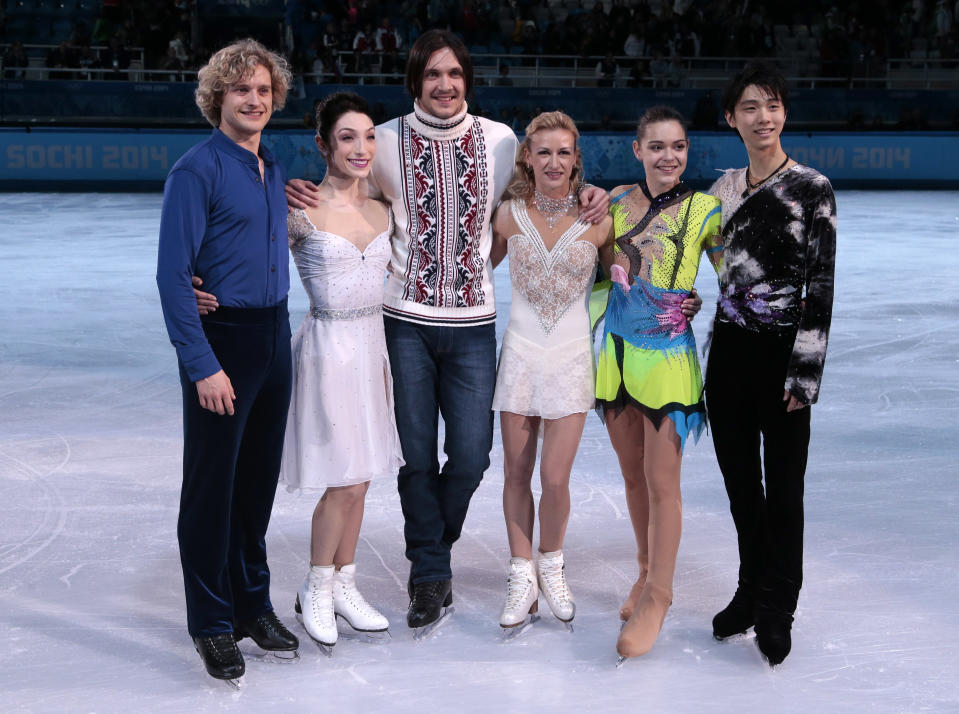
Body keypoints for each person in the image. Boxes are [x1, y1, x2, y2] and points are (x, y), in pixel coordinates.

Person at [286, 29, 609, 634]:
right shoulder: (382, 141)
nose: (444, 85)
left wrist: (588, 193)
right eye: (432, 75)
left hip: (473, 325)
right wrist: (299, 190)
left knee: (469, 456)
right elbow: (349, 193)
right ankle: (430, 572)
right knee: (414, 459)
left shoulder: (500, 140)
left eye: (454, 74)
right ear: (416, 81)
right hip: (403, 322)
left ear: (467, 80)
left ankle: (432, 544)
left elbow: (540, 189)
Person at [156, 39, 299, 684]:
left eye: (265, 90)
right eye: (243, 89)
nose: (255, 100)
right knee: (211, 491)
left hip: (273, 336)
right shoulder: (197, 169)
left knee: (256, 488)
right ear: (219, 96)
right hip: (225, 344)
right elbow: (169, 276)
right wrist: (201, 363)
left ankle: (251, 606)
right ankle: (211, 621)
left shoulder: (272, 165)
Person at [705, 60, 836, 667]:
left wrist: (805, 373)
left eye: (774, 105)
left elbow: (822, 285)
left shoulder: (811, 188)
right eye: (751, 107)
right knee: (740, 489)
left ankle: (779, 605)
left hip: (785, 358)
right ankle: (751, 587)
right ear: (731, 118)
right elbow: (701, 262)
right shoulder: (720, 192)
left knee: (784, 491)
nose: (765, 117)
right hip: (728, 354)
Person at [595, 106, 722, 660]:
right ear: (637, 150)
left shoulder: (705, 210)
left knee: (662, 480)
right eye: (658, 146)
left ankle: (660, 597)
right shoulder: (615, 203)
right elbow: (594, 267)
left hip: (669, 358)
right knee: (632, 476)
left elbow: (738, 279)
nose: (669, 156)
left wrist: (701, 303)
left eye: (679, 147)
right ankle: (645, 571)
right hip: (616, 355)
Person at [280, 92, 403, 651]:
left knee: (365, 473)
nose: (361, 147)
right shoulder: (299, 211)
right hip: (328, 350)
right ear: (323, 144)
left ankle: (345, 581)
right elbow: (246, 258)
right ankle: (315, 585)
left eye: (369, 136)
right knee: (343, 476)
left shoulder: (383, 207)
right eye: (348, 136)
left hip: (371, 345)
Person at [488, 111, 612, 630]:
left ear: (576, 159)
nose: (554, 161)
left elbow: (623, 284)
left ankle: (552, 566)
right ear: (527, 159)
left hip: (570, 359)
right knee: (516, 474)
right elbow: (467, 274)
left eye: (564, 152)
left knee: (555, 479)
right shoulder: (507, 215)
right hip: (518, 355)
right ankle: (521, 576)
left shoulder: (599, 219)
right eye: (543, 152)